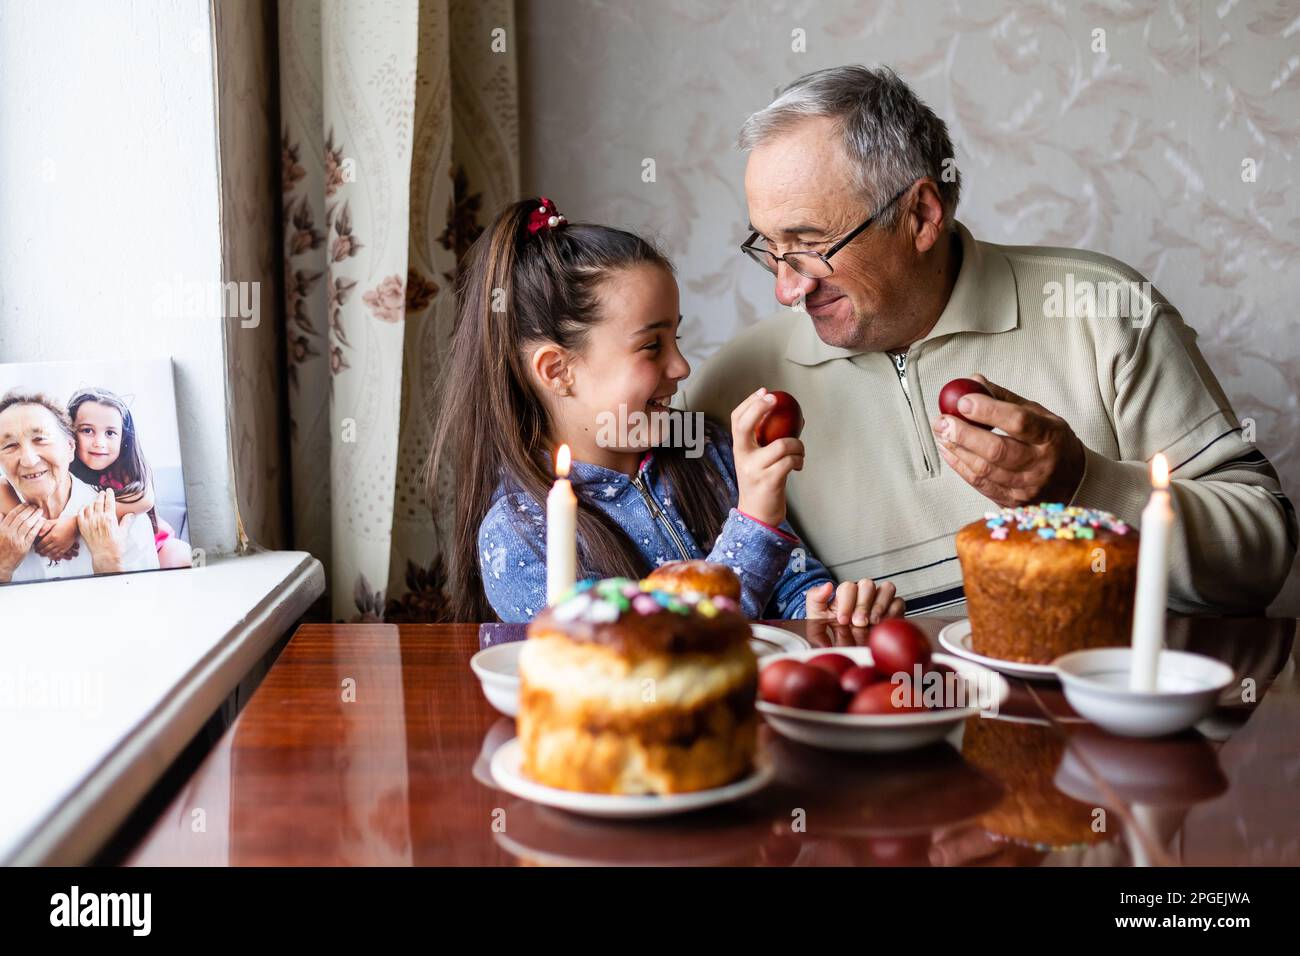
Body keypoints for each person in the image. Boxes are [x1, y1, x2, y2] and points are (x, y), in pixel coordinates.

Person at [687, 65, 1296, 615]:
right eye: (769, 250)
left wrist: (1083, 487)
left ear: (921, 215)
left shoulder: (1104, 309)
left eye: (812, 246)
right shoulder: (737, 390)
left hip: (1107, 723)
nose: (786, 291)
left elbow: (1262, 557)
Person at [426, 197, 908, 624]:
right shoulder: (522, 537)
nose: (681, 366)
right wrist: (754, 524)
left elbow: (790, 582)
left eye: (675, 338)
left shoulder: (708, 451)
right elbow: (650, 658)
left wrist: (821, 611)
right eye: (651, 345)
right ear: (557, 371)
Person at [0, 391, 159, 584]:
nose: (28, 460)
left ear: (70, 447)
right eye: (9, 446)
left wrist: (109, 563)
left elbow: (147, 608)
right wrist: (3, 567)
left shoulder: (126, 521)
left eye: (40, 439)